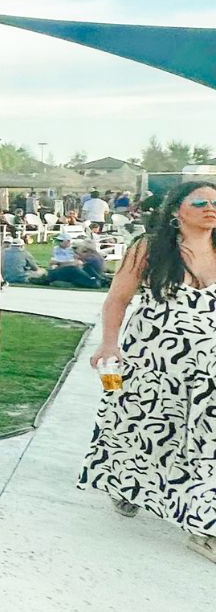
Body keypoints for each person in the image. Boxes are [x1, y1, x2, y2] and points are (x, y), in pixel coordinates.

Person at [80, 179, 216, 564]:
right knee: (145, 427)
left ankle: (203, 527)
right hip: (154, 359)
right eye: (200, 202)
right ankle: (128, 483)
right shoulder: (149, 248)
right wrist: (109, 343)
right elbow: (117, 299)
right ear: (176, 210)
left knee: (206, 439)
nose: (211, 209)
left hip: (209, 365)